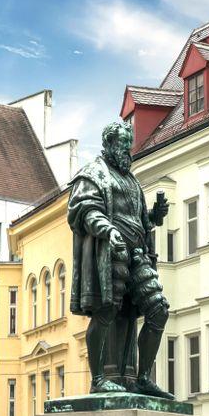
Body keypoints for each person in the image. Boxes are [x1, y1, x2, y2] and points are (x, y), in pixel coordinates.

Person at [67, 120, 172, 398]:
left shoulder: (131, 180)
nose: (128, 150)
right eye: (123, 145)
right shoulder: (93, 175)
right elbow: (85, 211)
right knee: (105, 311)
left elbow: (139, 220)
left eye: (129, 145)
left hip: (136, 254)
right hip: (109, 252)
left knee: (158, 309)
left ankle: (142, 378)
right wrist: (108, 230)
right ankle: (99, 379)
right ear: (109, 145)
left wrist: (154, 216)